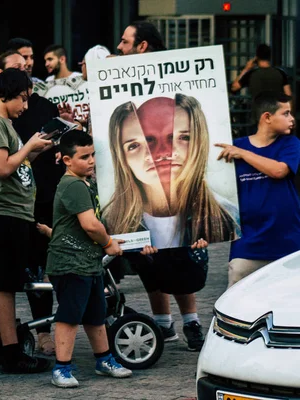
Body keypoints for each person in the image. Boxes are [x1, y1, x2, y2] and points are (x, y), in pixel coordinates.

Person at [112, 21, 209, 352]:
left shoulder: (170, 79)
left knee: (179, 252)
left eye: (125, 42)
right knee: (151, 259)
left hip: (176, 185)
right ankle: (164, 326)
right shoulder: (119, 80)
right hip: (140, 189)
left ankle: (191, 322)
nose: (119, 47)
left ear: (141, 47)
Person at [44, 130, 140, 388]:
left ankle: (104, 359)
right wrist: (108, 243)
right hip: (70, 264)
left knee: (96, 314)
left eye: (93, 155)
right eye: (84, 156)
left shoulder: (84, 183)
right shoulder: (73, 185)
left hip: (88, 263)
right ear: (66, 160)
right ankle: (62, 368)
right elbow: (90, 224)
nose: (91, 161)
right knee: (69, 316)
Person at [0, 68, 54, 373]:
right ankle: (11, 353)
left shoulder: (3, 124)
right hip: (4, 212)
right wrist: (28, 148)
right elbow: (2, 168)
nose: (25, 105)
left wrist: (34, 151)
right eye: (22, 98)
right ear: (7, 93)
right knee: (6, 285)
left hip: (11, 211)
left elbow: (15, 164)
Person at [103, 94, 239, 247]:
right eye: (134, 145)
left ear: (199, 141)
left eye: (183, 138)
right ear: (121, 157)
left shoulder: (228, 216)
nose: (162, 153)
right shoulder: (110, 221)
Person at [216, 92, 300, 288]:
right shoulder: (235, 147)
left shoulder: (291, 144)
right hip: (248, 243)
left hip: (287, 240)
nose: (292, 119)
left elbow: (279, 170)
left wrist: (244, 155)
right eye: (286, 113)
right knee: (237, 301)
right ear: (267, 117)